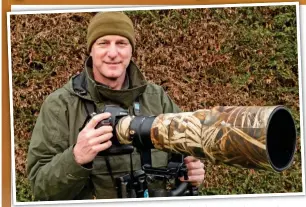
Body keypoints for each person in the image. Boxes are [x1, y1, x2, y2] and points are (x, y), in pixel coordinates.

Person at [27, 11, 205, 201]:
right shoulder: (61, 106)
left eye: (121, 43)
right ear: (91, 50)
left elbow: (187, 156)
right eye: (103, 43)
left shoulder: (156, 98)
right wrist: (76, 157)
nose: (113, 53)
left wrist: (193, 173)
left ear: (131, 50)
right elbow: (40, 187)